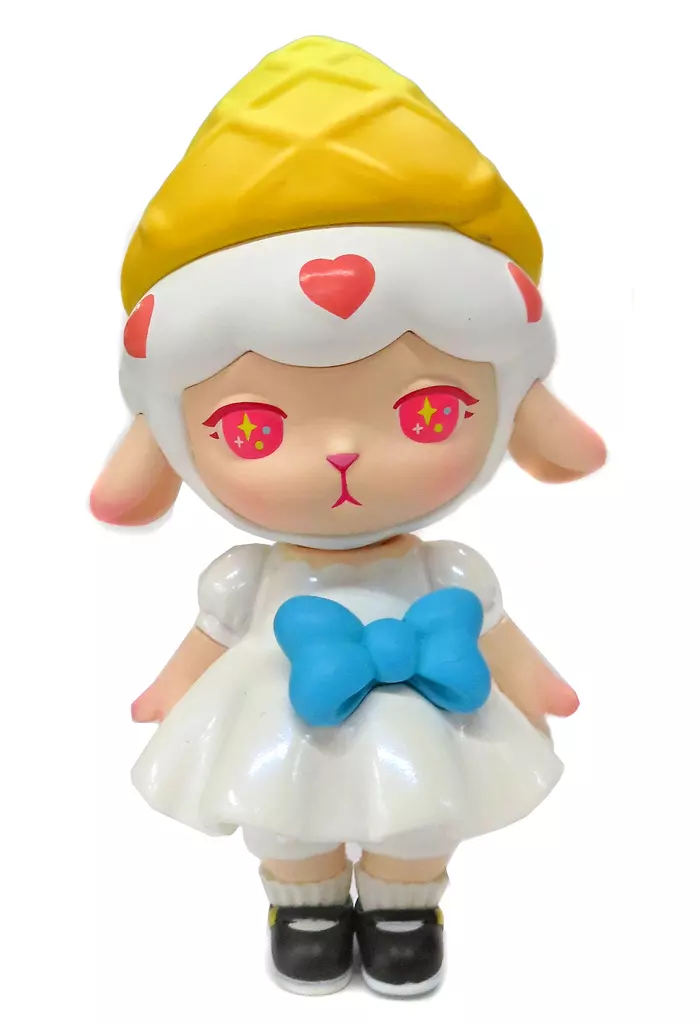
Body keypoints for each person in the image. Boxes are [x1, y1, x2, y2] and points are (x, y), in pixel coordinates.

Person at [91, 35, 606, 998]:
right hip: (277, 723)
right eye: (253, 428)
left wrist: (536, 683)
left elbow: (498, 635)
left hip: (428, 728)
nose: (340, 455)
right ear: (168, 439)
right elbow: (206, 641)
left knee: (422, 815)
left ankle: (407, 906)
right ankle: (307, 904)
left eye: (426, 413)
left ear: (514, 411)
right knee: (284, 821)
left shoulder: (452, 573)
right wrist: (169, 692)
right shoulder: (245, 578)